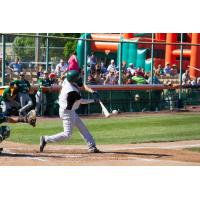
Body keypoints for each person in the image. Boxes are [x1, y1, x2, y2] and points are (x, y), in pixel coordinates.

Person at [39, 70, 100, 153]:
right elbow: (81, 101)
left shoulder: (67, 79)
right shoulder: (71, 91)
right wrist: (94, 100)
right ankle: (45, 139)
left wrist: (92, 91)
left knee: (82, 128)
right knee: (67, 134)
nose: (79, 79)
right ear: (73, 79)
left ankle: (91, 146)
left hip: (70, 110)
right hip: (67, 112)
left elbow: (82, 85)